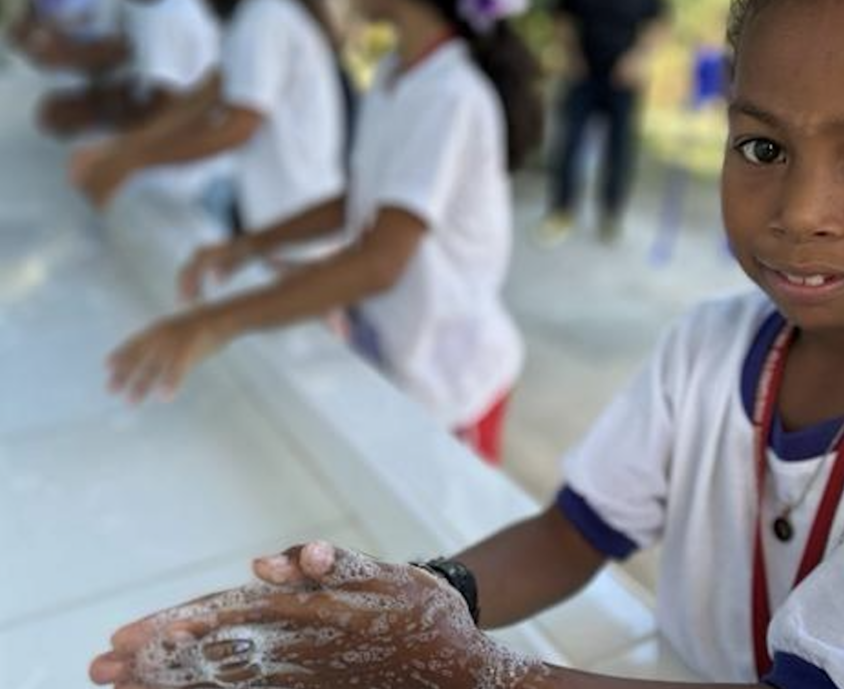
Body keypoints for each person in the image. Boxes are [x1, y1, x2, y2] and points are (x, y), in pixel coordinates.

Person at [90, 1, 844, 689]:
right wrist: (420, 600)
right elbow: (574, 531)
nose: (800, 209)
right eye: (762, 144)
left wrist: (473, 679)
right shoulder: (709, 344)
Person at [102, 0, 542, 465]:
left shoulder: (450, 95)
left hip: (452, 381)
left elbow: (380, 263)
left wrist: (211, 323)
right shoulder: (396, 71)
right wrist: (246, 246)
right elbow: (363, 200)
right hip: (402, 356)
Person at [69, 0, 347, 262]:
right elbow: (202, 99)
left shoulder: (267, 18)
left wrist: (131, 160)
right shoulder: (255, 18)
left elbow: (238, 128)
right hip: (280, 222)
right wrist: (121, 149)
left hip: (299, 229)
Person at [542, 0, 667, 245]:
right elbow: (561, 16)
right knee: (569, 144)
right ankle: (560, 212)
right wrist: (572, 56)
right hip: (583, 75)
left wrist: (637, 59)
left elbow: (659, 24)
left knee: (620, 151)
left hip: (624, 80)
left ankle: (610, 215)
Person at [31, 0, 221, 141]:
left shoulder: (165, 18)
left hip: (189, 176)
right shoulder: (138, 11)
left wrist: (94, 112)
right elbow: (121, 55)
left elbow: (165, 109)